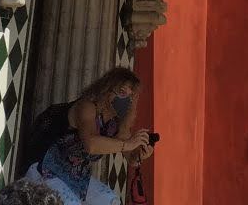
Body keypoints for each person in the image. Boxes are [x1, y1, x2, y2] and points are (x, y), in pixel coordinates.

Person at [21, 66, 154, 205]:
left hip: (75, 176)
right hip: (45, 167)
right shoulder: (87, 107)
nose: (126, 100)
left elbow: (131, 158)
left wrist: (140, 155)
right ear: (108, 90)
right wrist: (129, 144)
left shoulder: (116, 125)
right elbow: (91, 144)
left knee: (111, 201)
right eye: (122, 92)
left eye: (131, 97)